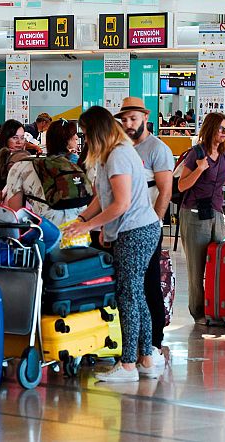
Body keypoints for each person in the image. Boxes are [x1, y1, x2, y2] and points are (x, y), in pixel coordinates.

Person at [63, 106, 161, 382]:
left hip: (136, 231)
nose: (83, 140)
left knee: (127, 295)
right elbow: (104, 197)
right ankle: (146, 358)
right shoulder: (114, 153)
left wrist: (89, 226)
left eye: (85, 134)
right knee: (136, 294)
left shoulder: (117, 155)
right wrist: (84, 218)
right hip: (138, 228)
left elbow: (121, 203)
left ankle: (128, 364)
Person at [116, 96, 174, 358]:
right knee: (131, 285)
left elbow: (165, 190)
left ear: (145, 119)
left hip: (147, 226)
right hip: (125, 227)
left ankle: (154, 341)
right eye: (125, 119)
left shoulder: (156, 149)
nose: (128, 124)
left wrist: (156, 223)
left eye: (133, 119)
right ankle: (133, 339)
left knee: (149, 283)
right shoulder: (121, 148)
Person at [177, 112, 225, 323]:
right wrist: (199, 170)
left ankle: (218, 307)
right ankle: (198, 312)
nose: (224, 133)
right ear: (210, 129)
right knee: (196, 267)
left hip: (217, 211)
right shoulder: (196, 154)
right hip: (194, 213)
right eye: (220, 128)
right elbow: (182, 185)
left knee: (220, 262)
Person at [3, 119, 88, 226]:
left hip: (47, 234)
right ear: (72, 141)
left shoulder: (22, 167)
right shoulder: (79, 165)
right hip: (79, 233)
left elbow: (16, 214)